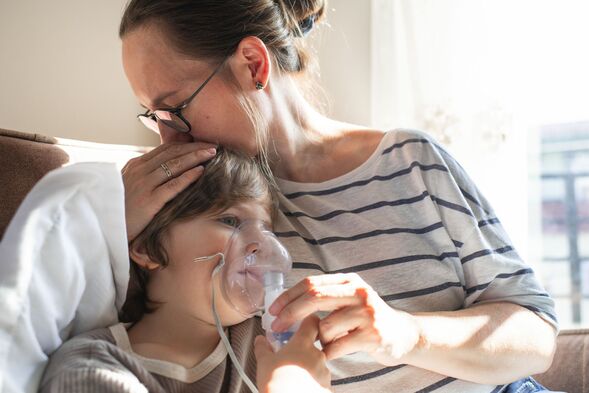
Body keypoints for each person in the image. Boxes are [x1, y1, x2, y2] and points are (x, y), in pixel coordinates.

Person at [118, 1, 558, 392]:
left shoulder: (413, 162)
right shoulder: (193, 208)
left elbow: (536, 338)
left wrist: (406, 334)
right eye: (152, 116)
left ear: (253, 64)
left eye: (175, 109)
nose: (166, 141)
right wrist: (115, 217)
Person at [39, 149, 331, 393]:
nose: (262, 245)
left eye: (266, 229)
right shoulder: (92, 366)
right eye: (230, 221)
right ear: (147, 248)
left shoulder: (266, 347)